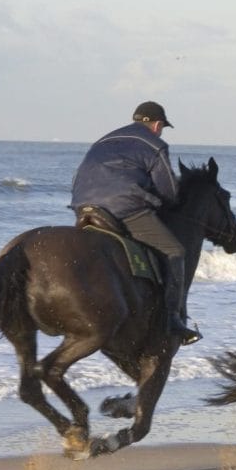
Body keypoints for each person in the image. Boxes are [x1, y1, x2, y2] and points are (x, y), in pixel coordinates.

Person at [70, 101, 201, 345]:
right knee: (174, 251)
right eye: (162, 127)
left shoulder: (103, 140)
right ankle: (172, 319)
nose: (161, 132)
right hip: (123, 208)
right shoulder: (155, 145)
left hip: (83, 206)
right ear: (157, 125)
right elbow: (169, 190)